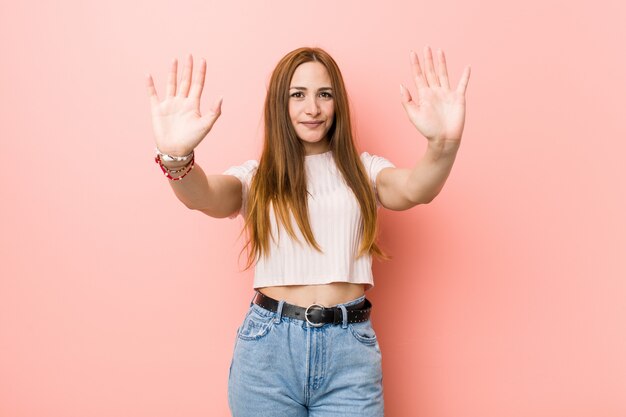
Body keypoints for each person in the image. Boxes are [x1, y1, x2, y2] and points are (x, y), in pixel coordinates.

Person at [145, 45, 470, 417]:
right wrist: (176, 158)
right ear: (279, 105)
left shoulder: (364, 172)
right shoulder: (256, 176)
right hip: (267, 354)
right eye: (297, 95)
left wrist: (443, 146)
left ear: (338, 104)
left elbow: (416, 188)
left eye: (324, 94)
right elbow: (202, 197)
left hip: (349, 353)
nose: (312, 108)